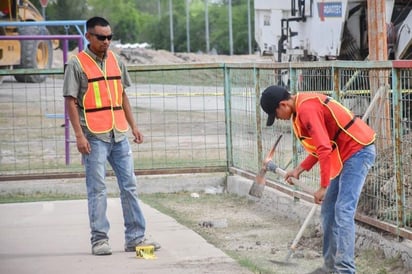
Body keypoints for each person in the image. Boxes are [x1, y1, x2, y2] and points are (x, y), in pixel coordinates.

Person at [63, 16, 160, 256]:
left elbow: (123, 96)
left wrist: (134, 126)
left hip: (119, 134)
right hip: (93, 136)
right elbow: (71, 102)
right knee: (97, 189)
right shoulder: (76, 64)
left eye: (109, 37)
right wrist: (78, 136)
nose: (106, 41)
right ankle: (99, 240)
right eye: (101, 37)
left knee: (129, 186)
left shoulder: (117, 61)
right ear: (88, 37)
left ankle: (135, 238)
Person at [260, 85, 376, 274]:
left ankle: (345, 270)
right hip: (344, 154)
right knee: (329, 210)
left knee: (343, 210)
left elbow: (323, 148)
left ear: (283, 104)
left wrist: (323, 186)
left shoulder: (306, 109)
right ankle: (330, 267)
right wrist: (299, 169)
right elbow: (323, 145)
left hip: (358, 152)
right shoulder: (299, 108)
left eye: (276, 114)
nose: (279, 119)